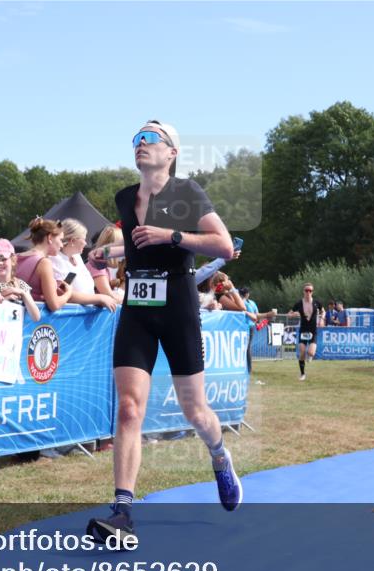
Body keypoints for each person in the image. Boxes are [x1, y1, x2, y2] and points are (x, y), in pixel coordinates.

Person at [84, 119, 240, 544]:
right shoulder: (124, 197)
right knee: (129, 408)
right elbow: (140, 243)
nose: (141, 143)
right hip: (138, 306)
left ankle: (219, 456)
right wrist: (109, 252)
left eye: (151, 138)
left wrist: (172, 235)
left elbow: (224, 245)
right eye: (137, 138)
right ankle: (122, 512)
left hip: (177, 305)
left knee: (195, 410)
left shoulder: (186, 192)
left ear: (171, 152)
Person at [16, 216, 116, 312]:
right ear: (50, 238)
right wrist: (69, 293)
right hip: (39, 319)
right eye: (60, 240)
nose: (61, 244)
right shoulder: (44, 262)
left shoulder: (16, 257)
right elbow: (54, 304)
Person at [0, 238, 40, 322]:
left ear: (13, 260)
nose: (0, 263)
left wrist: (22, 293)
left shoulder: (20, 284)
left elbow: (36, 317)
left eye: (3, 259)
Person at [51, 218, 97, 295]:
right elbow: (62, 292)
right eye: (84, 239)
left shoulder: (76, 256)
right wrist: (100, 298)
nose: (85, 243)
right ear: (72, 241)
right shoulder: (56, 259)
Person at [288, 282, 322, 380]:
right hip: (303, 330)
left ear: (312, 292)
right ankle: (302, 374)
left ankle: (310, 356)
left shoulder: (317, 302)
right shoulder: (299, 303)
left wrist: (322, 318)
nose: (308, 292)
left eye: (310, 291)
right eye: (306, 290)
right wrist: (294, 314)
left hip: (313, 330)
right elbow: (289, 314)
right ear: (303, 291)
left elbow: (323, 311)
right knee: (302, 352)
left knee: (311, 353)